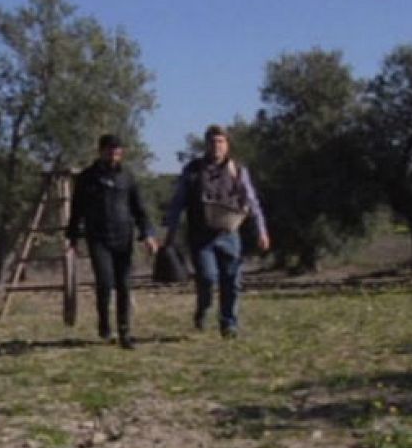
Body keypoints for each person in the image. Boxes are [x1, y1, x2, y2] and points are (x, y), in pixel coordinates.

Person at [162, 124, 269, 338]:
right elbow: (178, 202)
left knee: (232, 280)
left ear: (227, 145)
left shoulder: (237, 170)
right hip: (201, 236)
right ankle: (203, 309)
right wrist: (170, 231)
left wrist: (261, 231)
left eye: (221, 142)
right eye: (213, 142)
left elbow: (251, 201)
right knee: (208, 278)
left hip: (229, 233)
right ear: (206, 145)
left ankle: (229, 324)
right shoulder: (193, 170)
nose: (217, 146)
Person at [66, 134, 157, 349]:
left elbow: (139, 209)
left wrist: (148, 234)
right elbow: (77, 209)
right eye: (109, 150)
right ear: (101, 151)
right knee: (105, 283)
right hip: (98, 238)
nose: (114, 154)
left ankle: (125, 332)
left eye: (117, 150)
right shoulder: (87, 177)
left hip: (123, 238)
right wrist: (72, 238)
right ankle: (104, 322)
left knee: (124, 285)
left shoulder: (127, 177)